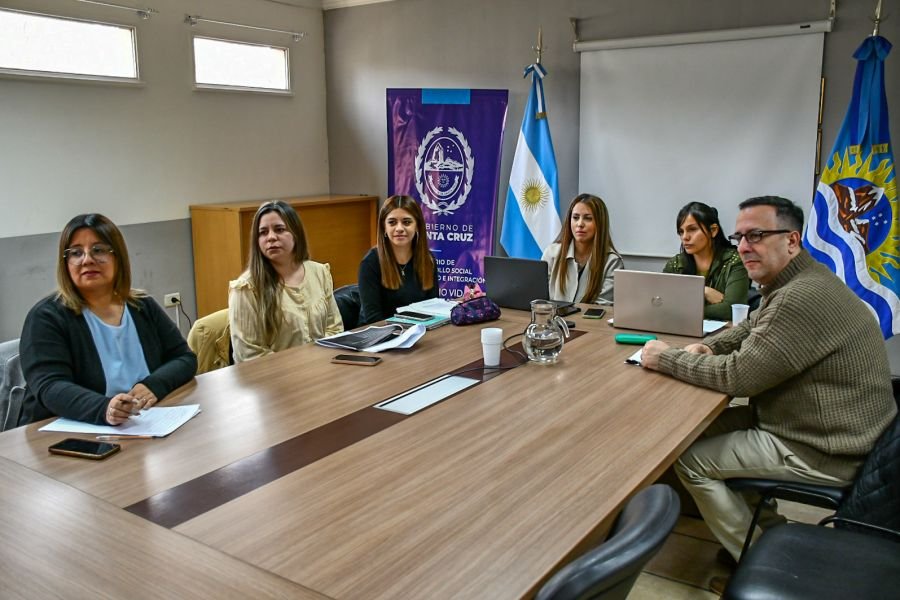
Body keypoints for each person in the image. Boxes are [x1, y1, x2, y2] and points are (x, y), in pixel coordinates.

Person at [640, 196, 896, 591]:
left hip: (825, 446)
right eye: (740, 236)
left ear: (792, 240)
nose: (743, 246)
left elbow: (740, 378)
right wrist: (713, 346)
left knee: (691, 460)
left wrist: (666, 358)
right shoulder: (800, 281)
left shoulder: (800, 296)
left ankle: (759, 558)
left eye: (757, 235)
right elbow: (749, 329)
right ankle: (769, 534)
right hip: (809, 422)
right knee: (689, 435)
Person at [19, 214, 197, 426]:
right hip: (66, 432)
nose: (87, 259)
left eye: (99, 250)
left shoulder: (141, 305)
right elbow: (50, 386)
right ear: (65, 263)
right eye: (76, 253)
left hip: (141, 423)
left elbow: (184, 358)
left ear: (118, 257)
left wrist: (154, 385)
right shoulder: (46, 317)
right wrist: (105, 408)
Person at [229, 201, 343, 362]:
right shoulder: (247, 287)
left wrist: (318, 363)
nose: (271, 237)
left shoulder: (319, 272)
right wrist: (301, 368)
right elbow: (249, 354)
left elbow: (335, 328)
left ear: (296, 233)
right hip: (273, 380)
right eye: (263, 232)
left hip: (322, 368)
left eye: (279, 229)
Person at [358, 195, 438, 325]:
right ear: (384, 227)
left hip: (418, 334)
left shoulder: (428, 259)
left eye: (407, 222)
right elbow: (373, 319)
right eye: (392, 222)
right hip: (379, 336)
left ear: (417, 226)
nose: (399, 228)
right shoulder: (370, 263)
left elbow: (433, 310)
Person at [663, 202, 749, 320]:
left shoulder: (735, 262)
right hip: (682, 328)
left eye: (692, 229)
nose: (685, 237)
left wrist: (682, 309)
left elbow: (730, 310)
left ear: (713, 230)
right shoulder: (675, 264)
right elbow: (662, 305)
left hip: (724, 333)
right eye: (681, 232)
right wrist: (703, 291)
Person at [541, 194, 623, 304]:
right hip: (553, 320)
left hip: (588, 321)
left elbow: (602, 307)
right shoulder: (552, 253)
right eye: (575, 218)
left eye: (588, 218)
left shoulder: (612, 262)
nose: (579, 224)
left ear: (600, 224)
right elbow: (540, 298)